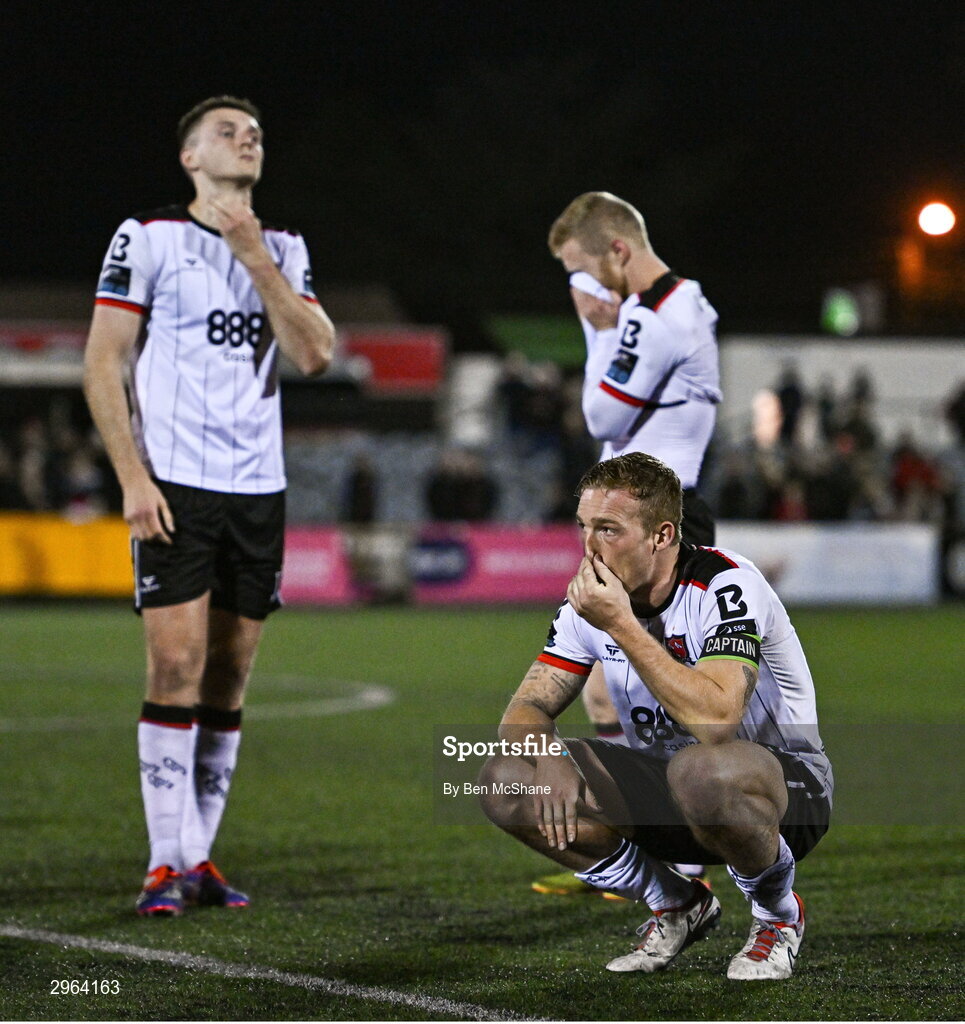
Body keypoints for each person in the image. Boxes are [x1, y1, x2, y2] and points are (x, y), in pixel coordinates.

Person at [83, 96, 335, 916]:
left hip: (258, 491)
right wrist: (132, 476)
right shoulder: (147, 237)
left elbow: (313, 354)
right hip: (176, 486)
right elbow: (103, 362)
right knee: (175, 668)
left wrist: (254, 256)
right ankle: (167, 862)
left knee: (228, 679)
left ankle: (200, 859)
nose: (246, 137)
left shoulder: (283, 248)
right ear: (190, 157)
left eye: (254, 130)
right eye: (225, 131)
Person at [479, 453, 832, 980]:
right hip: (672, 789)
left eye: (609, 529)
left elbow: (716, 724)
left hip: (781, 792)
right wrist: (547, 754)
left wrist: (623, 625)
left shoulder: (725, 584)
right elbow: (523, 710)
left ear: (662, 535)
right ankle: (676, 902)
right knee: (505, 779)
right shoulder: (588, 606)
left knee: (699, 769)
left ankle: (777, 917)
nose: (590, 548)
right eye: (583, 527)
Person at [533, 191, 721, 894]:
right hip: (630, 520)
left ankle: (688, 862)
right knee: (607, 694)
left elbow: (599, 411)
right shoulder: (663, 308)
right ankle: (648, 846)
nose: (584, 288)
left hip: (662, 523)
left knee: (658, 693)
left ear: (617, 250)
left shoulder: (657, 315)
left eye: (584, 270)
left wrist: (595, 331)